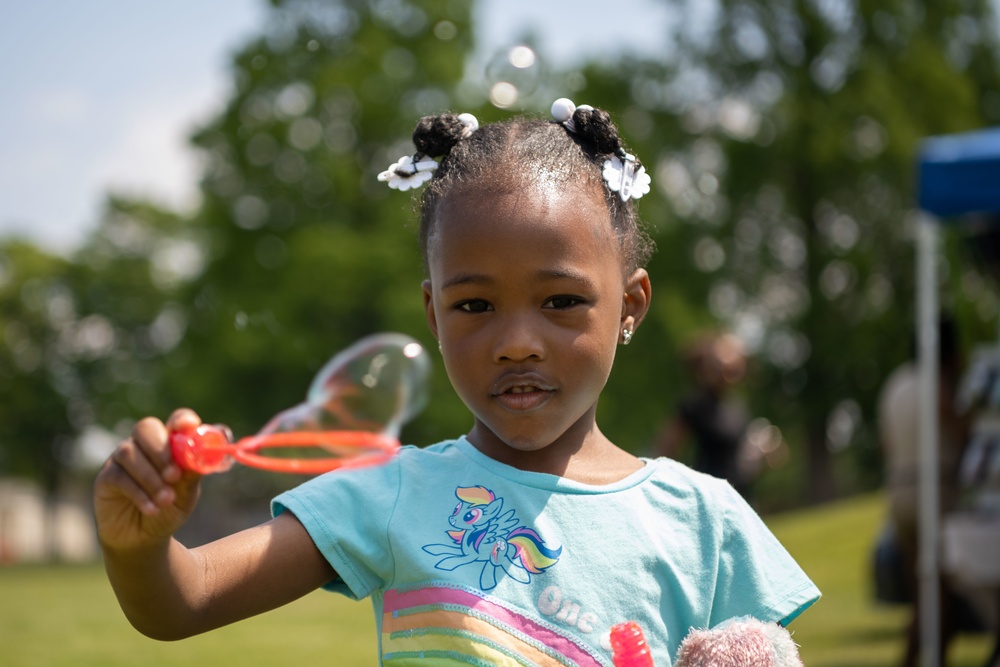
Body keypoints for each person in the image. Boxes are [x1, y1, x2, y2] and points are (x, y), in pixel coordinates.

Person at [93, 99, 820, 665]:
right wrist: (138, 546)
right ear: (434, 314)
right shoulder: (394, 491)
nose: (515, 342)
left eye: (561, 300)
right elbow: (182, 602)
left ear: (629, 305)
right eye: (474, 304)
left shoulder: (705, 520)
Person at [878, 316, 969, 667]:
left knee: (922, 596)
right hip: (936, 489)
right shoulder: (939, 383)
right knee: (941, 600)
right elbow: (962, 431)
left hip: (900, 491)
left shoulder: (896, 383)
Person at [657, 333, 756, 499]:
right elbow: (666, 450)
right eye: (720, 368)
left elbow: (740, 459)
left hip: (739, 494)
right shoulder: (694, 405)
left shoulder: (738, 406)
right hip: (709, 495)